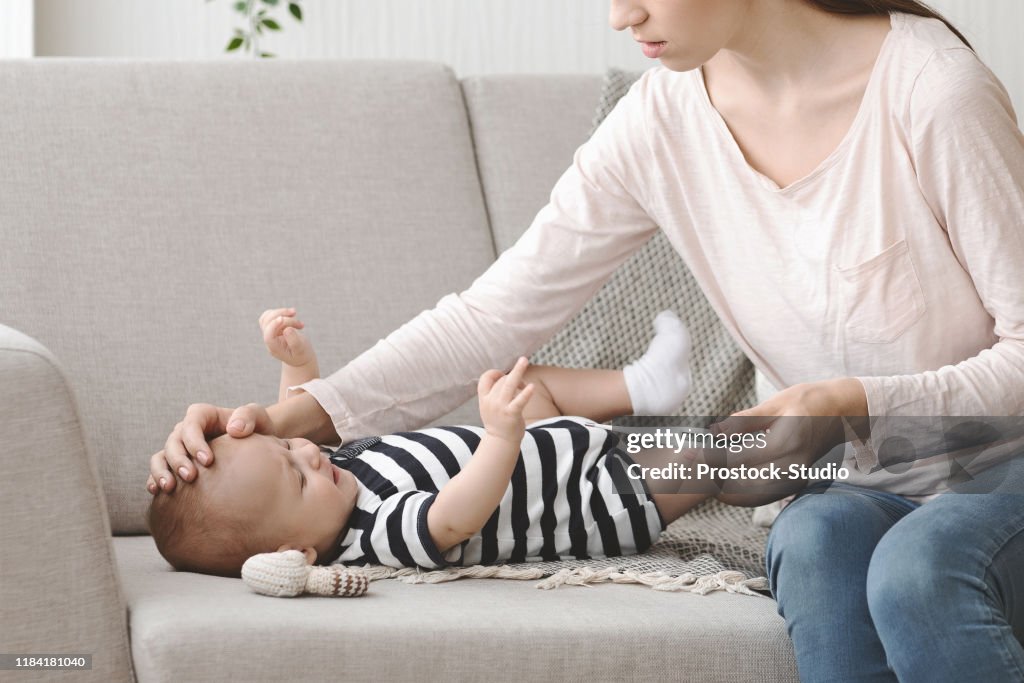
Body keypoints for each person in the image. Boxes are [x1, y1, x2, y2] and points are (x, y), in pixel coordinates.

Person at [150, 1, 1024, 680]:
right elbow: (492, 318)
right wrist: (286, 418)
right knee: (817, 545)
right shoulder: (661, 123)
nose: (618, 16)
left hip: (1000, 464)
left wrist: (849, 399)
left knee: (913, 569)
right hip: (860, 477)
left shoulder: (932, 93)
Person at [147, 308, 712, 577]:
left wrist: (299, 367)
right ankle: (786, 471)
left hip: (547, 448)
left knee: (526, 380)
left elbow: (292, 435)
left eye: (290, 450)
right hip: (593, 500)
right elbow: (454, 517)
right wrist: (500, 436)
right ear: (298, 554)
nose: (309, 453)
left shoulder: (326, 484)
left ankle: (642, 386)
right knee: (714, 460)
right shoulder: (374, 534)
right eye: (297, 476)